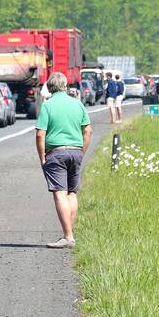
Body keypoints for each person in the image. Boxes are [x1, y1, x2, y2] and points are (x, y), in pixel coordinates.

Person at [35, 71, 92, 248]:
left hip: (56, 153)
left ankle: (68, 237)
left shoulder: (47, 105)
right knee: (72, 193)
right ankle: (69, 233)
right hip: (76, 152)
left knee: (59, 193)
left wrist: (42, 156)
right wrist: (81, 151)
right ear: (65, 86)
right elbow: (88, 131)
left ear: (50, 87)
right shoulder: (78, 104)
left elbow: (40, 134)